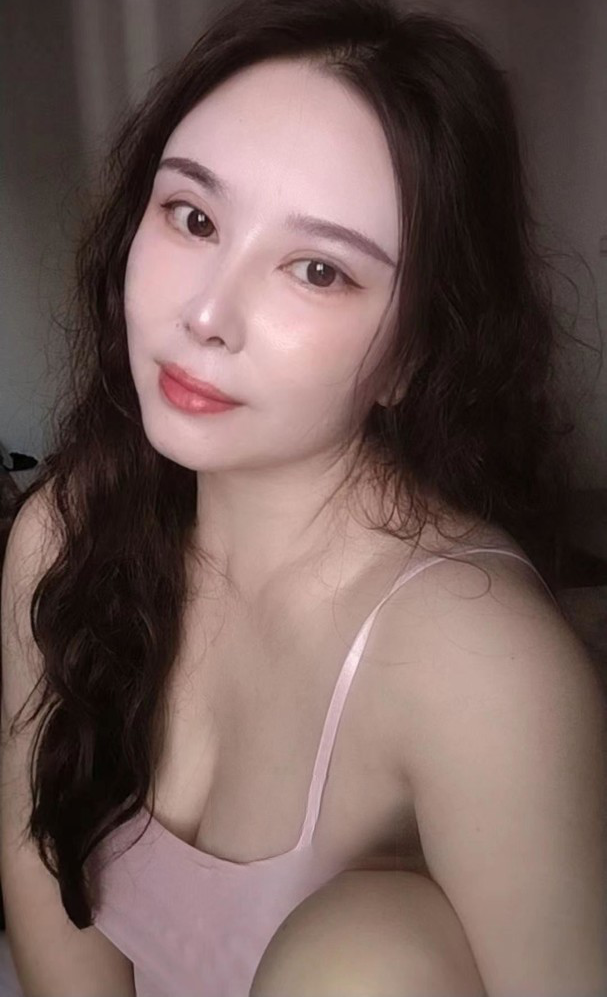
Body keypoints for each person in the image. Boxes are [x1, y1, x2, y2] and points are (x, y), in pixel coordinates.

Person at [1, 0, 605, 994]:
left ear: (414, 350)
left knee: (375, 948)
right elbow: (47, 894)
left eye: (317, 270)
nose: (205, 313)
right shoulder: (64, 537)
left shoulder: (478, 665)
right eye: (193, 217)